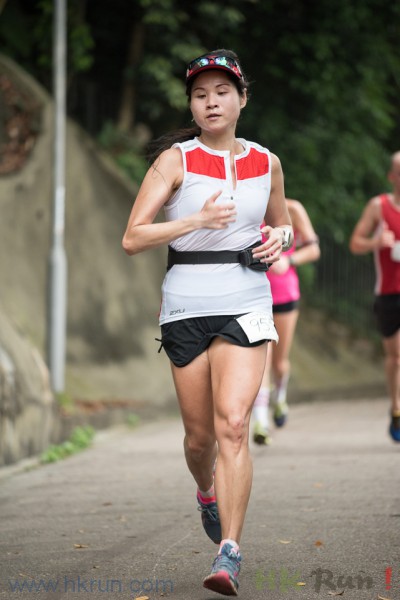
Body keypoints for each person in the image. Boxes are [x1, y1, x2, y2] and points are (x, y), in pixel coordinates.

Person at [122, 49, 293, 596]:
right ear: (192, 106)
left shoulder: (266, 162)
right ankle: (206, 492)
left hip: (247, 299)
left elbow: (282, 224)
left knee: (234, 424)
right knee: (200, 441)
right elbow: (133, 237)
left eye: (222, 92)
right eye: (200, 94)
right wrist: (194, 220)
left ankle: (230, 552)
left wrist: (279, 239)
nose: (211, 102)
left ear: (242, 99)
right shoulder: (175, 161)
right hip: (186, 305)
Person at [252, 199, 320, 445]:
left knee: (279, 363)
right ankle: (261, 422)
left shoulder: (292, 209)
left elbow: (314, 249)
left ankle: (279, 397)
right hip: (253, 295)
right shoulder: (247, 204)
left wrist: (289, 261)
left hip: (284, 294)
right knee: (262, 358)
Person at [349, 151, 400, 443]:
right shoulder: (378, 207)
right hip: (389, 293)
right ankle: (396, 407)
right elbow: (355, 243)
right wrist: (377, 242)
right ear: (392, 177)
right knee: (395, 357)